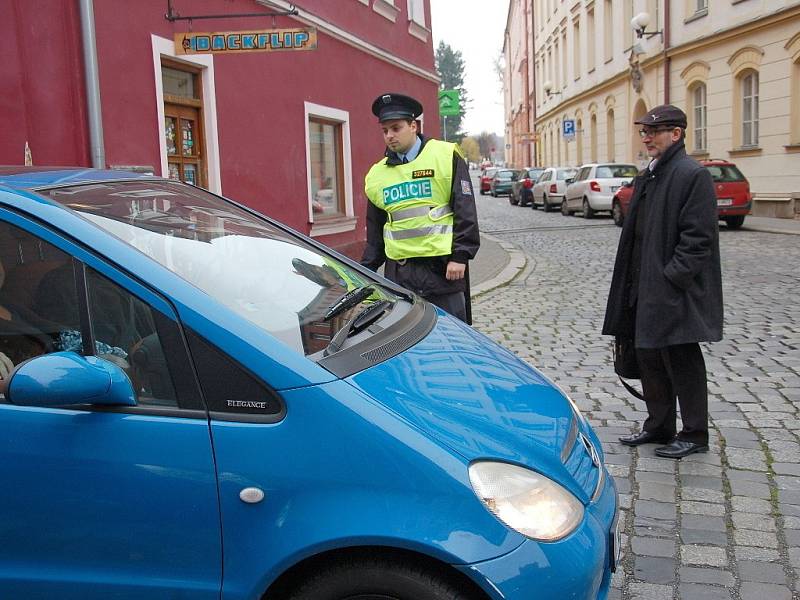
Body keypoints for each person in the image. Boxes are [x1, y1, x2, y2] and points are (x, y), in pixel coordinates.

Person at [602, 104, 723, 459]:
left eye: (654, 131)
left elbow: (698, 239)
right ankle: (659, 425)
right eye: (644, 132)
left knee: (682, 358)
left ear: (677, 133)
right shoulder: (651, 174)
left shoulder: (691, 174)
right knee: (649, 357)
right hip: (643, 284)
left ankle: (695, 433)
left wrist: (672, 279)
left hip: (674, 290)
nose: (647, 138)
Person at [361, 92, 480, 323]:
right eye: (385, 131)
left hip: (443, 272)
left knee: (451, 339)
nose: (389, 136)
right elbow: (376, 230)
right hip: (400, 276)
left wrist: (460, 257)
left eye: (396, 128)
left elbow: (465, 210)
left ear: (413, 126)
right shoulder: (378, 175)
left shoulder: (445, 156)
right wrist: (365, 269)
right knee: (406, 344)